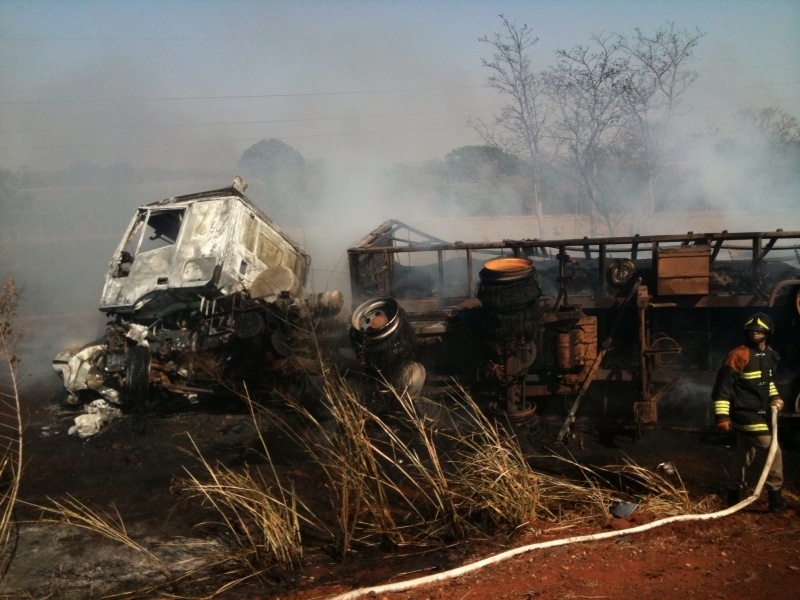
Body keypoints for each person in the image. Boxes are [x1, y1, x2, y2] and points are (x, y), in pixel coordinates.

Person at [712, 312, 788, 511]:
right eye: (752, 331)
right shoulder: (738, 354)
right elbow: (722, 389)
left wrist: (775, 397)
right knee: (774, 451)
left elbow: (768, 382)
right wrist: (722, 416)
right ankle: (775, 497)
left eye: (759, 331)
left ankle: (733, 495)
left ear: (767, 333)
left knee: (743, 453)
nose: (755, 334)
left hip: (760, 411)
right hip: (745, 413)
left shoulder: (770, 354)